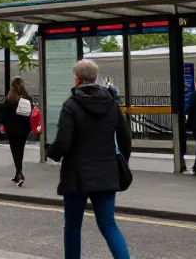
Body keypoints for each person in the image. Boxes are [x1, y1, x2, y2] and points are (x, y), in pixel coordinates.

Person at [47, 59, 132, 259]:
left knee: (73, 226)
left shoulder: (71, 104)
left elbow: (64, 140)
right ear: (95, 77)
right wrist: (120, 161)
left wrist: (53, 154)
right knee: (108, 224)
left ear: (77, 78)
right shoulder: (111, 103)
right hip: (106, 173)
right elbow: (125, 138)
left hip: (77, 175)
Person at [1, 77, 34, 186]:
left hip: (12, 130)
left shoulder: (9, 99)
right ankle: (17, 173)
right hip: (24, 129)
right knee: (20, 150)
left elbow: (4, 115)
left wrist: (3, 125)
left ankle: (19, 173)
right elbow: (31, 113)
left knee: (15, 150)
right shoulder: (28, 98)